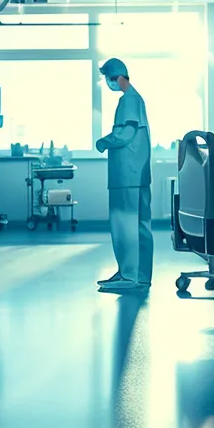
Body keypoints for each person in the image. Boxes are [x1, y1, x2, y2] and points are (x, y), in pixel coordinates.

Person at [94, 58, 152, 292]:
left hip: (126, 174)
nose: (109, 84)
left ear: (116, 77)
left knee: (124, 225)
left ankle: (129, 276)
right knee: (139, 225)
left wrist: (103, 142)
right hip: (137, 173)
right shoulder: (137, 98)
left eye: (108, 79)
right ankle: (139, 275)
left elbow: (125, 133)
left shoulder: (128, 99)